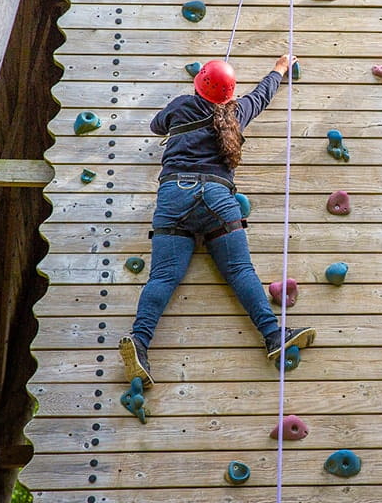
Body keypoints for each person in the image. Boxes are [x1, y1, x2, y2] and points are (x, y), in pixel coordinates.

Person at [120, 54, 315, 387]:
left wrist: (186, 110)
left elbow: (156, 126)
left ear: (199, 85)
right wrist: (281, 67)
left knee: (164, 276)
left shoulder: (181, 106)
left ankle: (139, 340)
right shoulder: (237, 113)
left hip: (174, 195)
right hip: (217, 197)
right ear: (230, 92)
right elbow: (264, 94)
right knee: (239, 270)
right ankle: (272, 335)